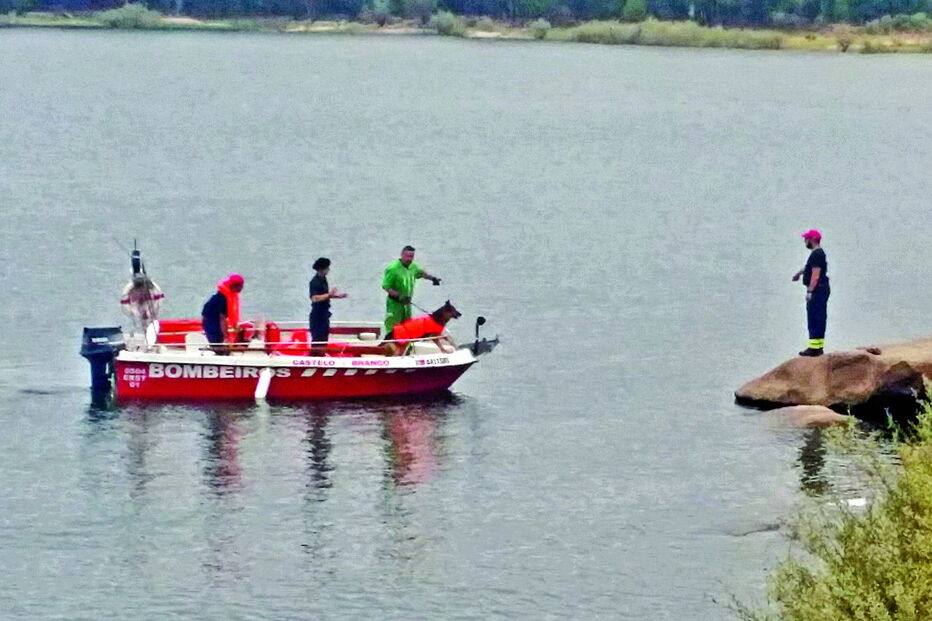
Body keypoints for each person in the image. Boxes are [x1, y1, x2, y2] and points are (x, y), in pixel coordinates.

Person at [381, 245, 441, 333]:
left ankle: (407, 345)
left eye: (411, 256)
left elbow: (421, 274)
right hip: (395, 303)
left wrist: (433, 278)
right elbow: (386, 286)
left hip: (407, 303)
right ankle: (390, 344)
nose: (409, 259)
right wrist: (399, 296)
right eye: (407, 256)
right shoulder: (393, 269)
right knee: (393, 327)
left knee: (407, 326)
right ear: (402, 255)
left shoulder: (413, 267)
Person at [792, 230, 830, 357]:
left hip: (818, 290)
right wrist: (799, 274)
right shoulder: (816, 254)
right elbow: (809, 267)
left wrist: (810, 291)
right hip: (819, 289)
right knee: (815, 317)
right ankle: (815, 346)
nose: (805, 241)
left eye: (806, 239)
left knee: (815, 318)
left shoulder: (817, 254)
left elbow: (815, 274)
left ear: (812, 239)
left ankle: (815, 348)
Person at [308, 257, 347, 356]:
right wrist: (329, 295)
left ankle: (322, 355)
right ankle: (315, 357)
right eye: (327, 268)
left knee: (324, 337)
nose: (329, 270)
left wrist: (336, 296)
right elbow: (315, 298)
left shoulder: (323, 279)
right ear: (322, 269)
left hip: (324, 313)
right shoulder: (315, 282)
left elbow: (324, 296)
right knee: (318, 338)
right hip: (317, 315)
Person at [202, 273, 244, 354]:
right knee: (217, 342)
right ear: (232, 285)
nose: (241, 288)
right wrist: (226, 336)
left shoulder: (231, 295)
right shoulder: (222, 298)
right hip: (211, 320)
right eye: (239, 286)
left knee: (221, 340)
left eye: (241, 285)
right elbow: (222, 318)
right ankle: (219, 355)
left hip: (215, 318)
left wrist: (235, 326)